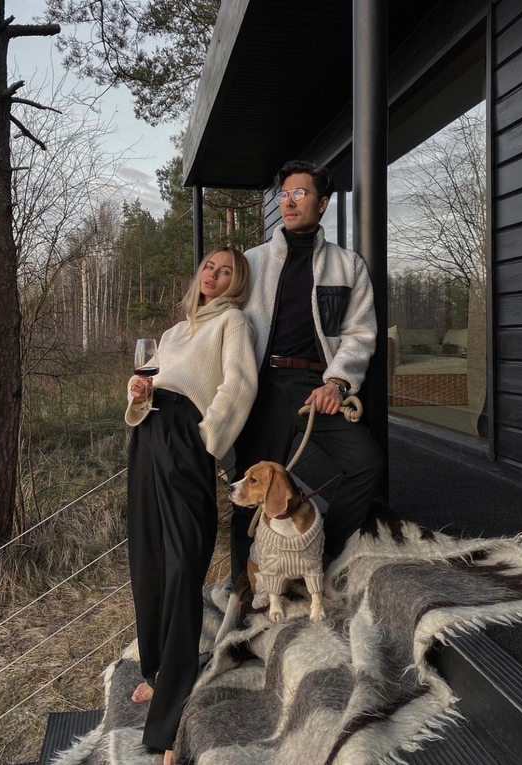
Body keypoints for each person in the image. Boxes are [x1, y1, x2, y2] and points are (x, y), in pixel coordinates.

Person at [125, 246, 257, 765]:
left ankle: (169, 722)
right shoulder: (174, 332)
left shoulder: (233, 323)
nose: (214, 275)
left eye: (226, 271)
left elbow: (239, 385)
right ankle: (158, 672)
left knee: (182, 566)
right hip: (148, 436)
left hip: (185, 437)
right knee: (149, 559)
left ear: (236, 283)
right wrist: (137, 393)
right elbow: (149, 386)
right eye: (209, 267)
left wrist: (205, 440)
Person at [230, 160, 385, 583]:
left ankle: (319, 553)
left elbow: (361, 333)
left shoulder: (347, 265)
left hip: (316, 388)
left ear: (323, 203)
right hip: (262, 388)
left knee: (366, 464)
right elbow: (218, 320)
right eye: (284, 194)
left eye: (300, 193)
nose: (289, 201)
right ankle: (245, 586)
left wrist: (337, 382)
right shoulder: (253, 262)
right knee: (247, 491)